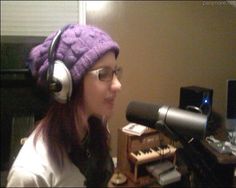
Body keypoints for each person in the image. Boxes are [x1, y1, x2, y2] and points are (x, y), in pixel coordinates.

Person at [6, 24, 122, 187]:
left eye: (116, 72)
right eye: (104, 74)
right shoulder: (31, 174)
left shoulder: (95, 124)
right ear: (64, 84)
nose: (118, 85)